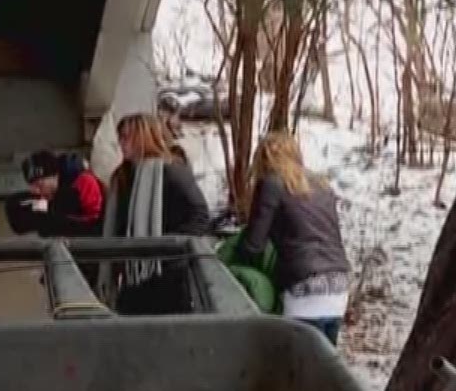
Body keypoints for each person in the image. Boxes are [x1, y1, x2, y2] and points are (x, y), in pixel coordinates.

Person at [238, 131, 350, 344]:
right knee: (324, 367)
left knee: (297, 367)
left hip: (303, 288)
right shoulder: (321, 185)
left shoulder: (271, 184)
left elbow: (253, 246)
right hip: (339, 284)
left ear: (263, 159)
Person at [112, 112, 212, 236]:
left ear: (143, 138)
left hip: (166, 249)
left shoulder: (171, 170)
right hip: (129, 249)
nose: (120, 143)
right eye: (120, 137)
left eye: (126, 137)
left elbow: (199, 216)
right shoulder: (122, 174)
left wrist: (170, 243)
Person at [4, 150, 104, 238]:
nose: (36, 191)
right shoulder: (47, 195)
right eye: (32, 186)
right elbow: (16, 212)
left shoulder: (84, 182)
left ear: (55, 175)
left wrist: (48, 209)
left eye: (40, 184)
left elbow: (93, 217)